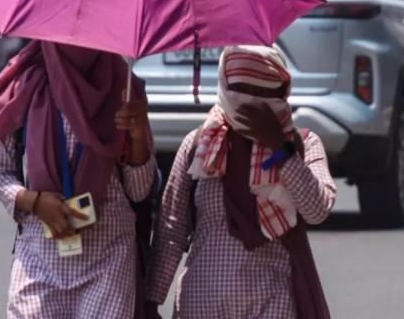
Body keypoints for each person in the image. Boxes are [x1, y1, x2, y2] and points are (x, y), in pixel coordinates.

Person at [144, 46, 336, 319]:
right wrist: (152, 301)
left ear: (283, 92)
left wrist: (280, 149)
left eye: (265, 93)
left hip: (271, 301)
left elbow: (317, 211)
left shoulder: (303, 144)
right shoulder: (200, 146)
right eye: (242, 88)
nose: (252, 102)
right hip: (202, 302)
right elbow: (172, 229)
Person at [0, 41, 158, 318]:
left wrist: (137, 138)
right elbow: (0, 174)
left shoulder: (124, 90)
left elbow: (139, 191)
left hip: (108, 259)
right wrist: (34, 202)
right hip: (39, 258)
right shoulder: (25, 88)